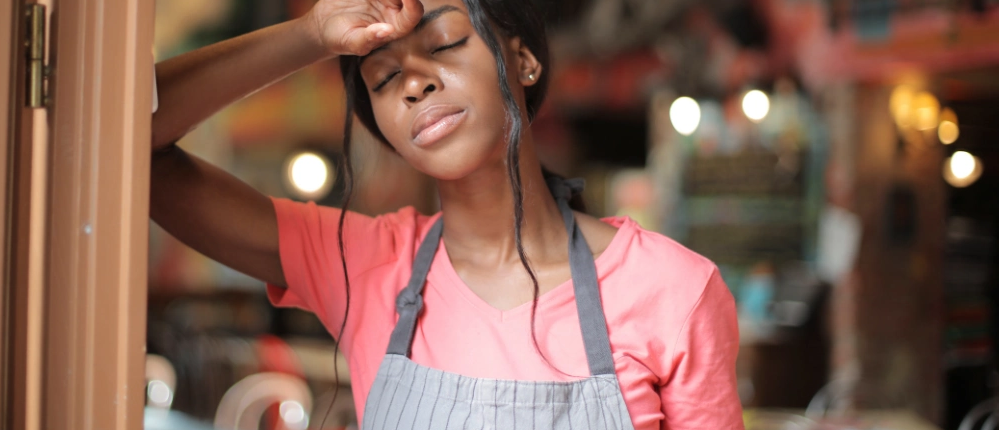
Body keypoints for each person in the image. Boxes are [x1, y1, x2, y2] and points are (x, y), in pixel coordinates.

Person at [150, 0, 744, 428]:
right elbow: (136, 146)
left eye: (444, 45)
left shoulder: (675, 289)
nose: (414, 83)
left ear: (524, 60)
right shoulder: (363, 264)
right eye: (382, 78)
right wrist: (312, 34)